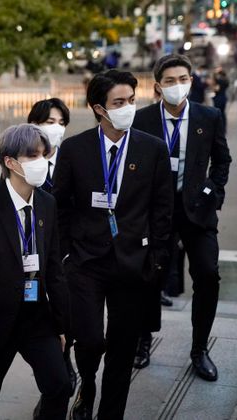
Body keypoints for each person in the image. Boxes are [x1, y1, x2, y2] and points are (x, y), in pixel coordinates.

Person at [53, 69, 173, 420]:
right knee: (89, 340)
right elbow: (61, 205)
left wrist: (158, 259)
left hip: (134, 264)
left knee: (122, 350)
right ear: (99, 109)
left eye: (132, 101)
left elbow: (162, 209)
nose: (128, 108)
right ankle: (87, 382)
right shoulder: (75, 149)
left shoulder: (153, 149)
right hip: (86, 262)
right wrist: (63, 254)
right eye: (119, 102)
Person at [0, 123, 72, 419]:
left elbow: (54, 268)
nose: (41, 162)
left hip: (37, 317)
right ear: (10, 162)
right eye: (32, 156)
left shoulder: (47, 203)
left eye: (43, 154)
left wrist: (60, 325)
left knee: (60, 386)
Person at [133, 54, 231, 381]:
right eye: (171, 81)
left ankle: (199, 349)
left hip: (197, 211)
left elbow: (221, 161)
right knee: (147, 277)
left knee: (207, 273)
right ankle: (142, 340)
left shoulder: (209, 116)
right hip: (155, 212)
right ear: (158, 86)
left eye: (183, 79)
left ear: (192, 80)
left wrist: (213, 195)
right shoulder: (142, 119)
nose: (178, 86)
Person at [26, 97, 77, 396]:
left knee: (64, 315)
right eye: (48, 122)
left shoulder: (73, 160)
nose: (55, 129)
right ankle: (52, 382)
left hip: (68, 256)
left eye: (60, 123)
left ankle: (65, 361)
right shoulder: (23, 164)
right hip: (33, 260)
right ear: (33, 125)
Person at [27, 98, 70, 195]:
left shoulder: (70, 159)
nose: (57, 128)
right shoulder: (20, 160)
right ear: (34, 125)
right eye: (50, 122)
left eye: (61, 123)